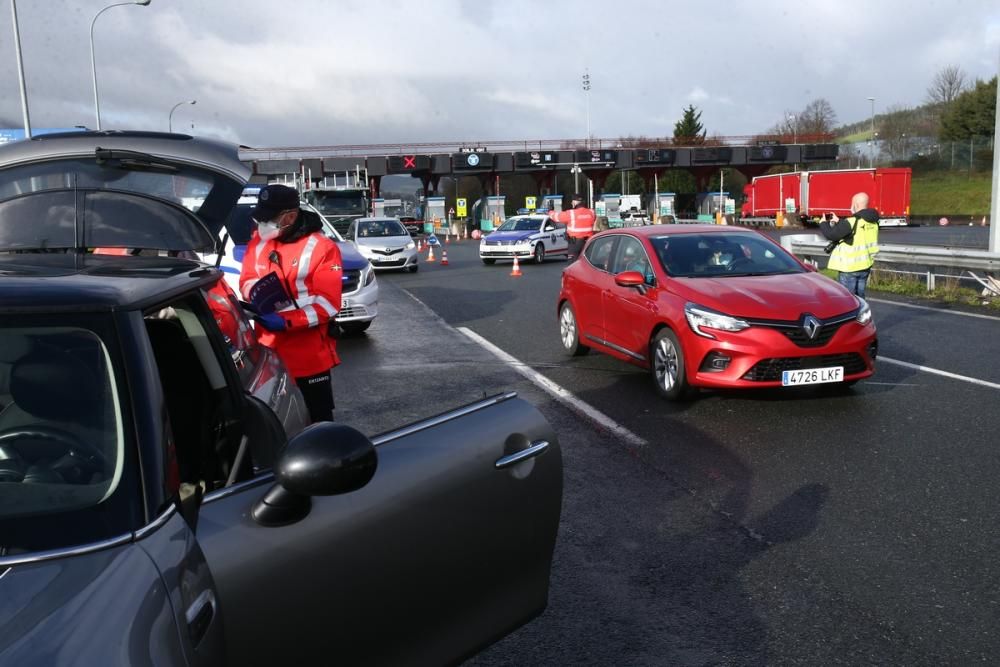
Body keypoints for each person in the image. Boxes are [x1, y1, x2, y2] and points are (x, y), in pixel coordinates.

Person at [239, 184, 344, 423]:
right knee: (276, 422)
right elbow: (246, 279)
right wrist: (253, 296)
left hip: (308, 356)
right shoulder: (259, 240)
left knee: (318, 423)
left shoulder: (322, 248)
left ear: (290, 216)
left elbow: (328, 305)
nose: (262, 224)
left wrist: (286, 321)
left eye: (269, 218)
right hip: (268, 351)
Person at [820, 192, 880, 298]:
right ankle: (862, 314)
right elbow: (856, 233)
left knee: (847, 300)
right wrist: (839, 221)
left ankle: (853, 315)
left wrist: (823, 223)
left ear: (855, 205)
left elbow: (831, 235)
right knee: (860, 298)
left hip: (849, 269)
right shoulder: (873, 222)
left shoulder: (852, 221)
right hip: (865, 266)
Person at [550, 193, 596, 261]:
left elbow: (556, 217)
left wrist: (550, 211)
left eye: (572, 201)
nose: (571, 203)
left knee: (573, 266)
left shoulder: (571, 213)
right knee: (586, 264)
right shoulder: (592, 212)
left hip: (575, 244)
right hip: (589, 244)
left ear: (575, 202)